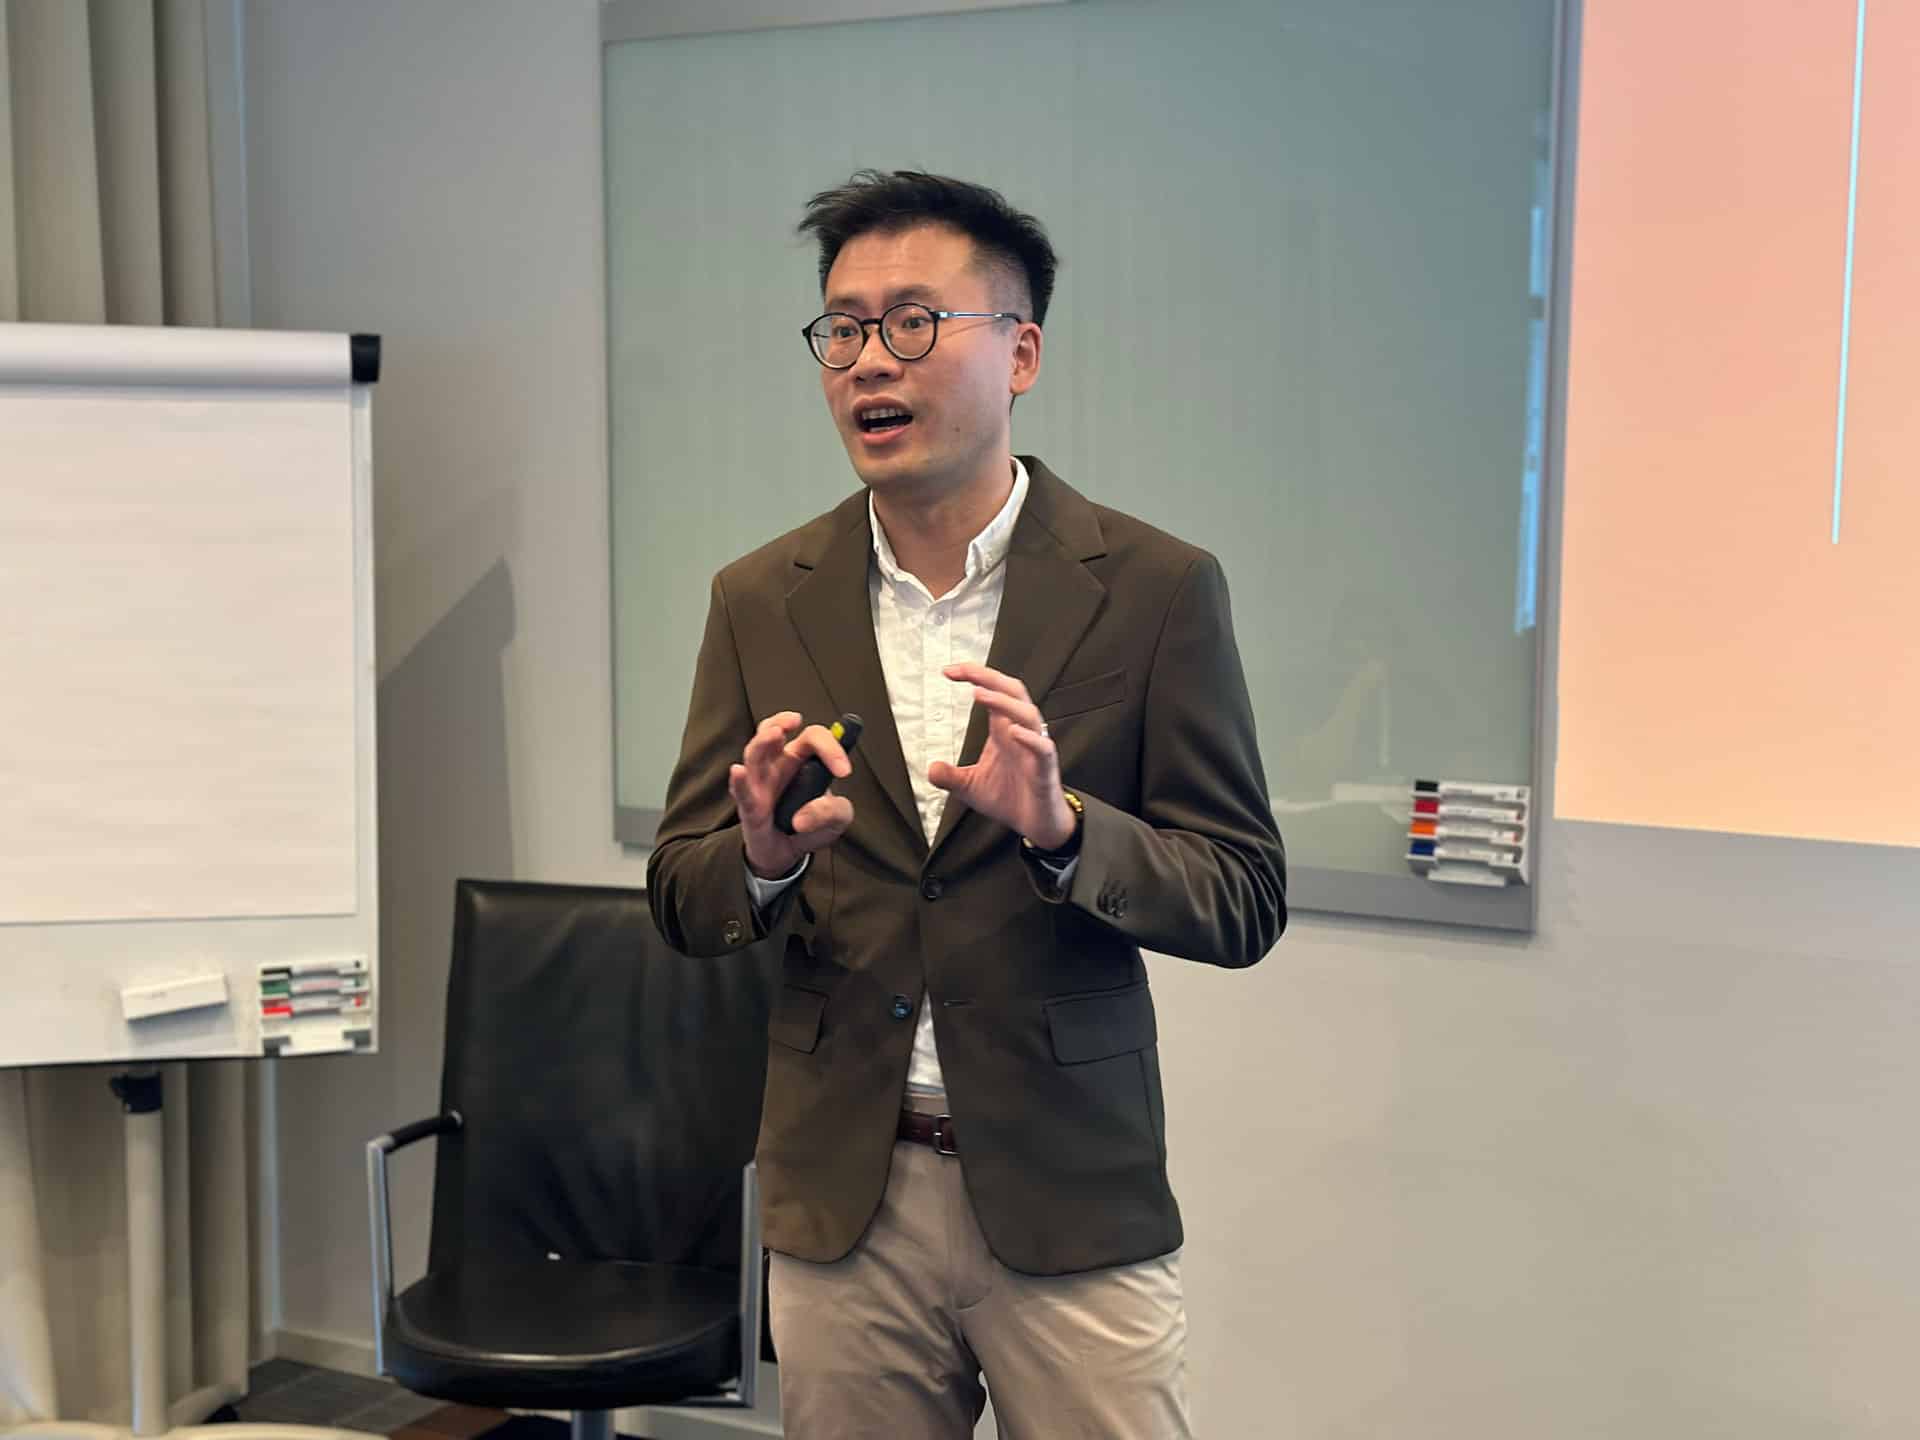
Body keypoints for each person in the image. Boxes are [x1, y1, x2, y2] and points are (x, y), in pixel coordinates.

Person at [647, 169, 1285, 1439]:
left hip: (1068, 1191)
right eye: (843, 329)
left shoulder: (1154, 588)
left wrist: (1066, 833)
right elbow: (681, 888)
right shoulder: (761, 597)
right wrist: (761, 859)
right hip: (845, 1195)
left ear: (1022, 353)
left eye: (913, 321)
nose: (869, 362)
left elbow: (1243, 895)